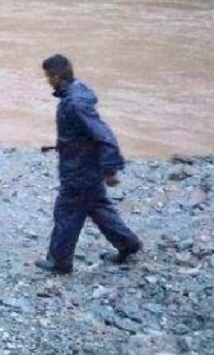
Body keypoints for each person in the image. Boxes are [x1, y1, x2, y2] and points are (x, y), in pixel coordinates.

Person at [36, 54, 142, 275]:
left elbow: (104, 136)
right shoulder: (77, 95)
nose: (47, 81)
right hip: (86, 167)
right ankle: (128, 244)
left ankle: (60, 262)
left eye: (48, 77)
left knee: (66, 212)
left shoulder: (74, 104)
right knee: (98, 207)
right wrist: (63, 145)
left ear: (56, 77)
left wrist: (110, 169)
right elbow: (83, 134)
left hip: (79, 171)